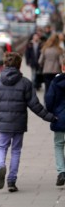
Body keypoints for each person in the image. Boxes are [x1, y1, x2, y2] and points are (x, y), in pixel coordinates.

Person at [0, 52, 55, 193]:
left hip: (3, 123)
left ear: (4, 65)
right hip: (19, 123)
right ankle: (11, 181)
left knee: (2, 147)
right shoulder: (25, 83)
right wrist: (49, 117)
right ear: (20, 65)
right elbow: (34, 105)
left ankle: (0, 165)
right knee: (16, 150)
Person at [44, 54, 65, 187]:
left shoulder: (55, 82)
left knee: (58, 145)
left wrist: (51, 113)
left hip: (59, 119)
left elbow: (49, 100)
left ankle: (62, 172)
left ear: (63, 67)